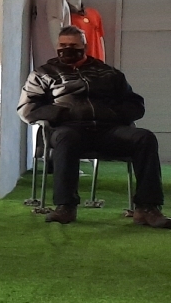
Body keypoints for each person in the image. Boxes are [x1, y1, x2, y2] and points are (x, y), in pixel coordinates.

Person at [18, 25, 169, 228]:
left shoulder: (108, 73)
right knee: (67, 138)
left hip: (108, 130)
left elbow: (135, 104)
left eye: (73, 46)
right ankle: (66, 206)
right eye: (63, 45)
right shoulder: (43, 74)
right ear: (57, 46)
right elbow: (27, 109)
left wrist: (113, 114)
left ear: (85, 47)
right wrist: (63, 113)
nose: (67, 49)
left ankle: (147, 208)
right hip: (68, 130)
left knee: (145, 138)